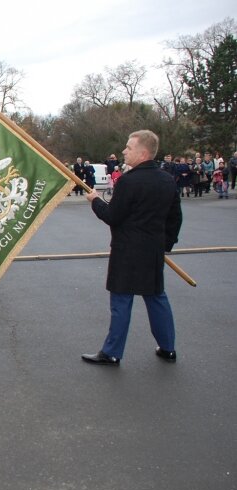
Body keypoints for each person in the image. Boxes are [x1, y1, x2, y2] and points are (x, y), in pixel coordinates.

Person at [82, 130, 183, 365]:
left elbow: (113, 216)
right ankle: (168, 348)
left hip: (126, 252)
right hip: (152, 251)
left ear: (143, 153)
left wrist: (95, 201)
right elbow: (175, 218)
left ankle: (112, 352)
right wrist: (164, 245)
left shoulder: (129, 181)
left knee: (121, 301)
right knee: (156, 297)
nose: (124, 151)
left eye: (129, 147)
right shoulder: (167, 180)